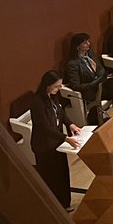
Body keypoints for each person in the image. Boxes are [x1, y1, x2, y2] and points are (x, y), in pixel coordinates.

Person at [30, 70, 83, 208]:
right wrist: (65, 138)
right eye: (57, 86)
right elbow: (44, 128)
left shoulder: (53, 96)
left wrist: (70, 124)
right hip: (45, 146)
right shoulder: (37, 103)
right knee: (52, 178)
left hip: (57, 143)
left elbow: (61, 113)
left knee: (63, 174)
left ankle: (65, 204)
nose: (59, 89)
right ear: (47, 85)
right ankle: (55, 207)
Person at [64, 34, 113, 124]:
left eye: (88, 41)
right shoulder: (73, 64)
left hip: (100, 84)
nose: (88, 44)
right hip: (91, 90)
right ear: (77, 47)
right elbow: (75, 85)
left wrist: (100, 78)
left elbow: (100, 69)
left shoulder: (91, 54)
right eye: (85, 43)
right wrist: (94, 83)